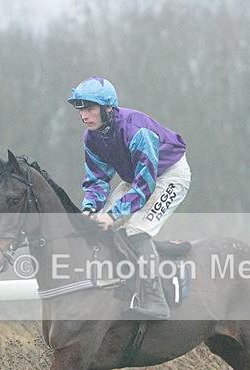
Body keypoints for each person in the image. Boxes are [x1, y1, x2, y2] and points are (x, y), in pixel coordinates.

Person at [67, 76, 191, 320]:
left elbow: (146, 186)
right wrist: (90, 209)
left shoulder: (137, 131)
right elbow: (98, 180)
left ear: (108, 108)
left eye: (90, 109)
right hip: (135, 179)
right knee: (97, 226)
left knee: (135, 229)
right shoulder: (91, 137)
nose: (84, 116)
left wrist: (113, 215)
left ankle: (157, 301)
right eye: (81, 109)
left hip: (169, 176)